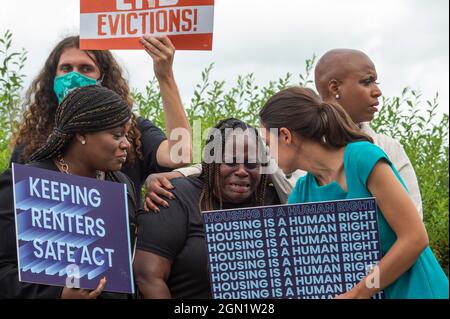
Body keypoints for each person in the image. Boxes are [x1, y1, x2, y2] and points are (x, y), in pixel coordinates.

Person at [143, 49, 423, 220]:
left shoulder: (379, 150)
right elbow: (232, 159)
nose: (377, 91)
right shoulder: (288, 155)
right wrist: (173, 176)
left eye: (375, 81)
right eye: (367, 81)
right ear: (334, 87)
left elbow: (413, 223)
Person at [259, 86, 448, 299]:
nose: (269, 155)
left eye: (268, 143)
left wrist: (358, 294)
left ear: (285, 136)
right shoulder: (302, 193)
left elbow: (415, 238)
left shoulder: (362, 158)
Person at [10, 34, 192, 204]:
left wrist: (165, 75)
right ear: (53, 77)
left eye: (86, 68)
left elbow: (180, 154)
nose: (73, 77)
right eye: (66, 68)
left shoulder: (133, 131)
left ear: (104, 78)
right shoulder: (31, 141)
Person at [0, 85, 138, 299]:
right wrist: (58, 294)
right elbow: (4, 270)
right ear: (81, 134)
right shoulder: (23, 184)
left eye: (126, 135)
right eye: (117, 135)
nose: (126, 144)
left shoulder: (122, 186)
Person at [133, 118, 280, 298]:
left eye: (251, 164)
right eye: (231, 162)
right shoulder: (175, 196)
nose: (242, 171)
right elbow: (147, 277)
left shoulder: (276, 200)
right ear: (210, 163)